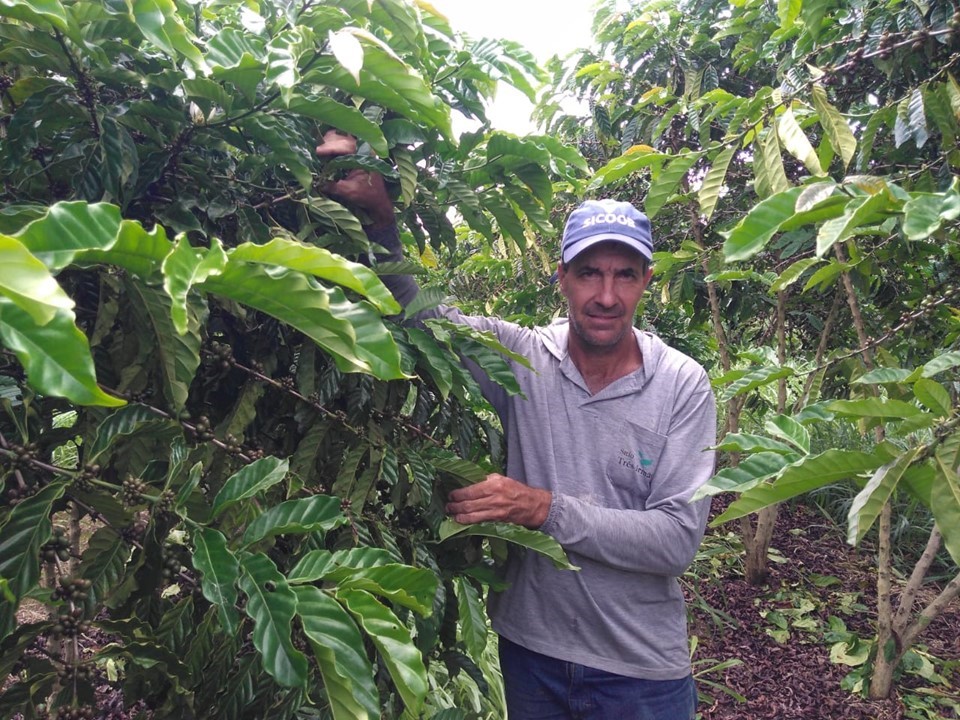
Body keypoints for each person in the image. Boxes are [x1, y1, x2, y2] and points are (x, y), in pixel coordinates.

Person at [317, 131, 716, 720]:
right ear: (562, 277)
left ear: (646, 282)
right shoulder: (525, 361)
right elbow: (422, 315)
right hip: (533, 656)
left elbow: (675, 541)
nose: (606, 295)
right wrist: (380, 221)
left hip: (639, 674)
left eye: (624, 275)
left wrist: (541, 509)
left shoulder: (681, 384)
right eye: (589, 273)